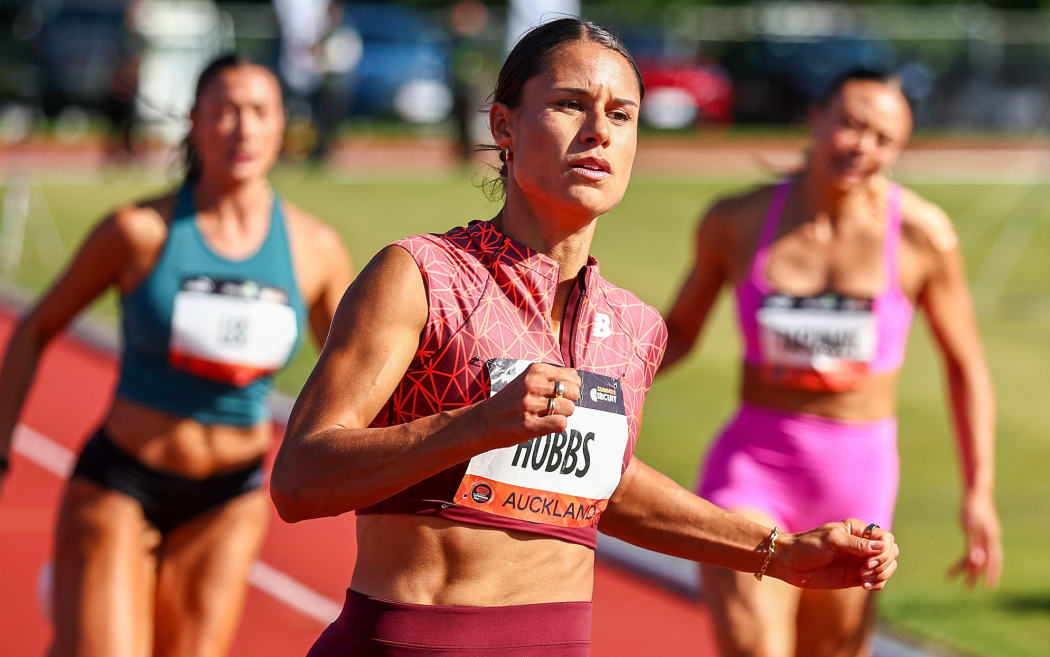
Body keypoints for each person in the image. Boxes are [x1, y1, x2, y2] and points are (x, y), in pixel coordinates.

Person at [271, 20, 899, 657]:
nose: (599, 130)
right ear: (503, 127)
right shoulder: (421, 276)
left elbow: (610, 488)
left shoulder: (634, 330)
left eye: (621, 114)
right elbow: (300, 479)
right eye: (570, 104)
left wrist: (779, 554)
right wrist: (476, 425)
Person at [0, 54, 352, 657]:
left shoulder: (314, 249)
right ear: (194, 122)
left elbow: (353, 377)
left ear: (280, 126)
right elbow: (36, 328)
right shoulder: (139, 231)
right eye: (225, 111)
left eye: (259, 112)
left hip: (230, 497)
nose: (242, 129)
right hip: (121, 483)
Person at [662, 69, 1000, 657]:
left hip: (857, 480)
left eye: (883, 138)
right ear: (816, 118)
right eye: (850, 124)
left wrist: (978, 493)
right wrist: (597, 384)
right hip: (753, 469)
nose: (862, 146)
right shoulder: (736, 221)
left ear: (898, 149)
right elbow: (679, 334)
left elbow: (965, 366)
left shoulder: (923, 237)